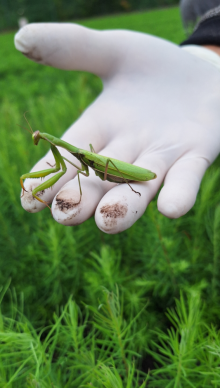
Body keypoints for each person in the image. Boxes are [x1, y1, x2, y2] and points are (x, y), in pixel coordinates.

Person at [14, 1, 220, 234]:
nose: (36, 137)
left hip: (115, 170)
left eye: (38, 135)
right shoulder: (70, 154)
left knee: (85, 169)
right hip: (103, 166)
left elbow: (67, 171)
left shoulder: (74, 153)